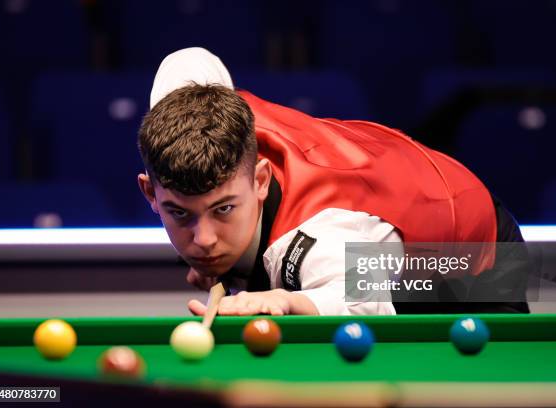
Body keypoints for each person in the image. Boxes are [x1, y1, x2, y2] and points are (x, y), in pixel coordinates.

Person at [137, 47, 530, 316]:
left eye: (223, 209)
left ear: (260, 180)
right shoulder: (187, 107)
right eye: (180, 214)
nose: (203, 239)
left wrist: (288, 302)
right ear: (150, 193)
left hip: (468, 253)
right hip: (380, 187)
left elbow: (361, 302)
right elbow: (191, 60)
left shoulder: (319, 234)